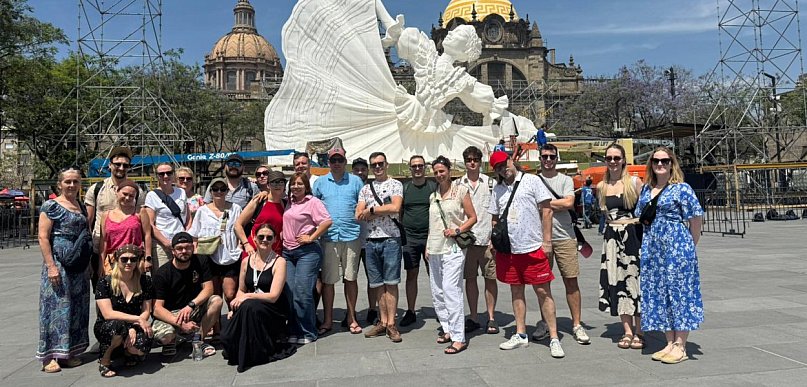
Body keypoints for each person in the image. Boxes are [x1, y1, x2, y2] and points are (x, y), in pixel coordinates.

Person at [488, 151, 564, 358]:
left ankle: (554, 337)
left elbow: (547, 211)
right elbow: (495, 217)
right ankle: (521, 333)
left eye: (505, 164)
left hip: (532, 246)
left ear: (512, 161)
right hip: (509, 249)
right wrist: (495, 241)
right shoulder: (498, 188)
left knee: (542, 291)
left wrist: (547, 242)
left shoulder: (531, 180)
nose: (504, 169)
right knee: (516, 290)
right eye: (498, 168)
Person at [635, 147, 703, 364]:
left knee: (680, 293)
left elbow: (695, 220)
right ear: (651, 164)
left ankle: (680, 345)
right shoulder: (647, 189)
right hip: (653, 249)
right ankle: (669, 342)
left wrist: (689, 247)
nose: (660, 165)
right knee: (659, 293)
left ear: (672, 163)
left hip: (677, 247)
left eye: (665, 161)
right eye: (656, 161)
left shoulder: (682, 189)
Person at [36, 167, 92, 372]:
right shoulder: (51, 206)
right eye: (67, 181)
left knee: (77, 306)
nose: (71, 185)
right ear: (59, 184)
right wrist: (51, 266)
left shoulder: (81, 206)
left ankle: (69, 352)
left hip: (79, 263)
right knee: (56, 307)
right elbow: (43, 236)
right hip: (59, 262)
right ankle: (49, 356)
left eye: (75, 181)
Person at [221, 224, 296, 372]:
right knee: (227, 335)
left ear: (275, 240)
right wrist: (233, 308)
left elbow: (274, 296)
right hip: (251, 307)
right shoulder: (246, 261)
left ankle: (250, 356)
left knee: (249, 306)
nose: (265, 240)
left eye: (269, 237)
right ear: (254, 238)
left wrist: (248, 296)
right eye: (261, 237)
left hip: (272, 308)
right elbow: (241, 290)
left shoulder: (279, 262)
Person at [535, 144, 590, 345]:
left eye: (551, 156)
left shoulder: (565, 180)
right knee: (542, 284)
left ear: (556, 158)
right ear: (539, 159)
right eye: (544, 156)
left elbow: (568, 203)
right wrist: (552, 204)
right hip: (540, 238)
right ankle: (545, 322)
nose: (548, 160)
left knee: (571, 280)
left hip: (565, 236)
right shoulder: (534, 180)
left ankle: (577, 324)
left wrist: (543, 203)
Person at [427, 156, 477, 354]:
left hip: (453, 247)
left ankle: (458, 337)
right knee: (437, 290)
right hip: (435, 247)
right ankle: (447, 328)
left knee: (450, 289)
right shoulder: (433, 195)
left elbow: (473, 217)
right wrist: (428, 245)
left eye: (442, 171)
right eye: (436, 172)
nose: (439, 175)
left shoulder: (460, 191)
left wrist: (458, 230)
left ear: (449, 170)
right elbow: (433, 223)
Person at [313, 148, 365, 334]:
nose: (336, 163)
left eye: (340, 160)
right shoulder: (319, 183)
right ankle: (327, 320)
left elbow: (363, 203)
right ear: (328, 162)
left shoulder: (356, 181)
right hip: (328, 238)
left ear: (345, 161)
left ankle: (352, 318)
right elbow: (313, 208)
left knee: (350, 279)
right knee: (328, 281)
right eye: (333, 160)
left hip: (351, 236)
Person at [597, 144, 644, 350]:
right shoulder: (601, 186)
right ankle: (626, 329)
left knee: (636, 282)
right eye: (609, 158)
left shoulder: (634, 182)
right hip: (611, 240)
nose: (613, 162)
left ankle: (640, 330)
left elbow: (643, 212)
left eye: (617, 158)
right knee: (617, 282)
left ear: (624, 160)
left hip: (632, 237)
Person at [356, 152, 404, 343]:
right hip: (371, 240)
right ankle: (382, 321)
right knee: (377, 283)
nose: (377, 167)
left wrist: (372, 211)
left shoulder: (395, 184)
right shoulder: (366, 189)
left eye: (380, 164)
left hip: (391, 238)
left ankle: (391, 322)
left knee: (391, 282)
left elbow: (395, 207)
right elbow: (358, 214)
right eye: (374, 164)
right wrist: (371, 212)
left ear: (387, 164)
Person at [151, 232, 223, 358]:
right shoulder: (162, 273)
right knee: (166, 336)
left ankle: (198, 340)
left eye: (188, 247)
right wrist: (180, 324)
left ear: (193, 248)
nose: (184, 251)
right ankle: (173, 340)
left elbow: (209, 289)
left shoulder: (201, 261)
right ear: (173, 251)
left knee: (216, 301)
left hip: (191, 309)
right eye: (179, 248)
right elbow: (157, 309)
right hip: (171, 314)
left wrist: (191, 305)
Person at [283, 173, 333, 344]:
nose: (296, 186)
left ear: (306, 186)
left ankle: (308, 331)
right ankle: (294, 330)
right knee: (289, 293)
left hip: (307, 252)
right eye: (293, 184)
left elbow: (326, 221)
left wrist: (311, 237)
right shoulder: (288, 202)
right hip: (287, 252)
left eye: (299, 184)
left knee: (303, 292)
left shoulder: (312, 202)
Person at [86, 146, 146, 288]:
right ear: (110, 165)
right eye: (117, 164)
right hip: (101, 249)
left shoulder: (137, 191)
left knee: (132, 293)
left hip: (130, 253)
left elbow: (143, 223)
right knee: (103, 293)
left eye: (125, 165)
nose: (121, 168)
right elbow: (87, 222)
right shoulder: (96, 189)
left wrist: (145, 256)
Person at [94, 245, 154, 377]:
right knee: (117, 326)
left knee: (141, 346)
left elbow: (146, 310)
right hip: (109, 326)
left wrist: (134, 325)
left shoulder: (145, 281)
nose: (129, 263)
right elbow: (108, 314)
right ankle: (105, 360)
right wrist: (135, 321)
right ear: (116, 260)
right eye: (124, 259)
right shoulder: (105, 282)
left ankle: (128, 352)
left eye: (133, 259)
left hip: (135, 324)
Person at [457, 146, 499, 334]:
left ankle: (491, 317)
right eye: (468, 159)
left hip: (487, 239)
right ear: (465, 162)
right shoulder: (458, 184)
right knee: (470, 279)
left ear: (480, 161)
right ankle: (473, 316)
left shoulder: (490, 183)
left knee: (490, 279)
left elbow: (496, 212)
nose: (472, 162)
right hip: (468, 240)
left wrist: (495, 237)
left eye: (475, 159)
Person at [189, 177, 244, 307]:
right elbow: (195, 234)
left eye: (222, 189)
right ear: (211, 191)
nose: (219, 192)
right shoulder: (202, 211)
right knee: (214, 296)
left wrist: (240, 246)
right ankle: (217, 326)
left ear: (227, 191)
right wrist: (196, 253)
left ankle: (234, 321)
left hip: (230, 256)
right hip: (209, 256)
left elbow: (240, 228)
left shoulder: (235, 208)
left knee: (230, 294)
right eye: (215, 189)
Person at [399, 155, 437, 327]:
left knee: (435, 275)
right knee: (411, 274)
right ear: (410, 168)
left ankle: (440, 308)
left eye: (420, 166)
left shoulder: (433, 186)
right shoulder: (405, 188)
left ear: (425, 168)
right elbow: (400, 212)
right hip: (410, 237)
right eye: (414, 166)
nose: (417, 169)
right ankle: (411, 310)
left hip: (431, 237)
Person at [98, 181, 152, 277]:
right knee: (114, 289)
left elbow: (147, 235)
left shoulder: (140, 212)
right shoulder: (106, 215)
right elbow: (104, 241)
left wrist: (147, 258)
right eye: (125, 194)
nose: (127, 198)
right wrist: (101, 263)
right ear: (117, 192)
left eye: (131, 196)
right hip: (113, 261)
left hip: (134, 260)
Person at [144, 163, 190, 268]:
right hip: (162, 244)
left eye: (169, 173)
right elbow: (150, 224)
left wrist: (187, 235)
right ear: (157, 176)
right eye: (161, 174)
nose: (165, 176)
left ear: (173, 174)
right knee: (163, 276)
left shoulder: (181, 192)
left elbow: (187, 217)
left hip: (181, 242)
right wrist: (166, 243)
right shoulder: (152, 196)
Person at [352, 157, 379, 325]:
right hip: (353, 239)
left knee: (373, 278)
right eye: (357, 170)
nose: (360, 172)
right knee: (350, 278)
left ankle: (372, 309)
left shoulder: (372, 188)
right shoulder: (349, 187)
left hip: (370, 238)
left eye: (363, 169)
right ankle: (351, 313)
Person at [235, 170, 286, 257]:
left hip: (275, 252)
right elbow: (238, 225)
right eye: (274, 182)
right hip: (254, 251)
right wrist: (246, 244)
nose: (277, 185)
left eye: (280, 182)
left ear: (284, 185)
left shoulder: (285, 203)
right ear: (268, 185)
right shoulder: (259, 200)